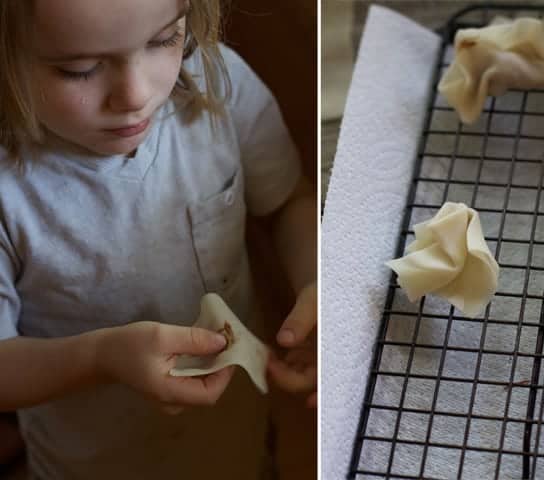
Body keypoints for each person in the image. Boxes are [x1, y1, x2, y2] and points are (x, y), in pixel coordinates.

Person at [0, 0, 317, 478]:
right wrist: (101, 357)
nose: (135, 94)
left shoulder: (219, 86)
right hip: (92, 465)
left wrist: (314, 284)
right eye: (78, 70)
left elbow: (289, 202)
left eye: (164, 40)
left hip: (238, 436)